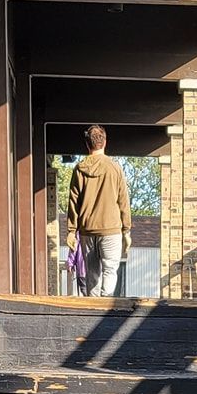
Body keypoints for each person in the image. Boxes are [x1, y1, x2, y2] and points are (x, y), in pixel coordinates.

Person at [65, 126, 132, 297]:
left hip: (87, 230)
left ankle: (94, 307)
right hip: (111, 229)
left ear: (87, 144)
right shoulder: (115, 168)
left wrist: (71, 231)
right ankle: (106, 305)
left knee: (92, 275)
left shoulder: (79, 169)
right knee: (110, 270)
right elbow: (123, 201)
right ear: (105, 142)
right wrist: (126, 231)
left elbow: (73, 201)